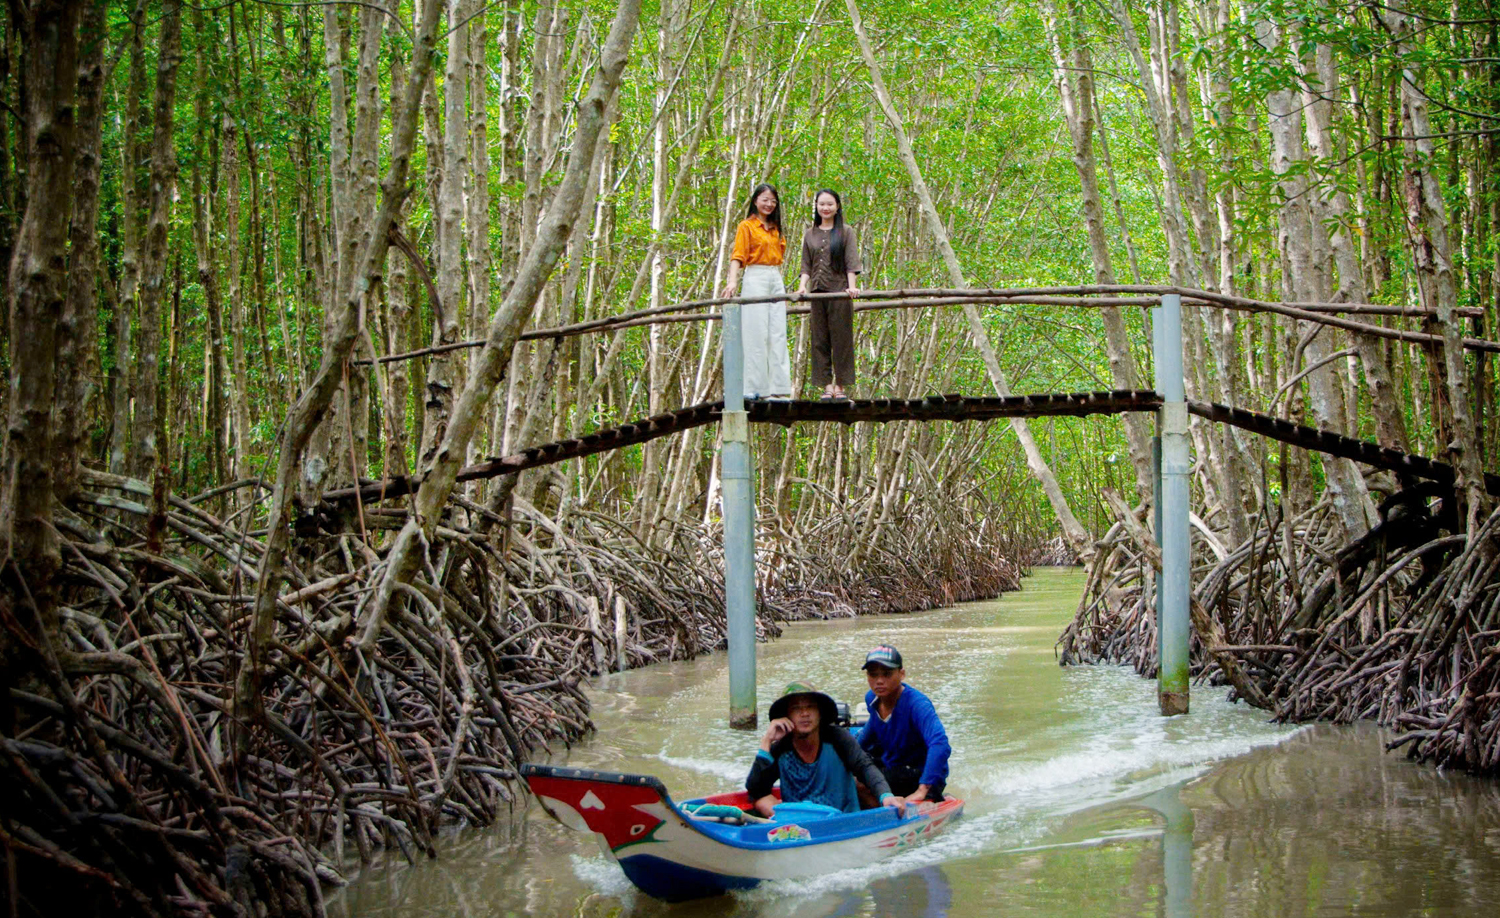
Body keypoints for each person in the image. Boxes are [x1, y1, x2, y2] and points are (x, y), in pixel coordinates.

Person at [746, 680, 904, 818]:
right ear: (786, 716)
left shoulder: (837, 738)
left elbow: (865, 767)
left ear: (820, 713)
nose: (805, 714)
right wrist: (766, 741)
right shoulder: (781, 748)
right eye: (796, 708)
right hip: (798, 828)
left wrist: (885, 795)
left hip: (842, 821)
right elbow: (755, 790)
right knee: (762, 801)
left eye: (810, 707)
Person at [720, 183, 793, 401]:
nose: (769, 204)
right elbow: (738, 256)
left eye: (773, 200)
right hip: (755, 276)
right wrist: (732, 281)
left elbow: (779, 254)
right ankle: (754, 387)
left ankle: (779, 388)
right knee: (755, 332)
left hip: (775, 276)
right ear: (755, 201)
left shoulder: (776, 228)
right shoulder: (747, 226)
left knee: (778, 332)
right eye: (765, 199)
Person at [857, 645, 950, 805]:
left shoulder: (917, 704)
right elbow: (870, 731)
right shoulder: (872, 698)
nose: (879, 681)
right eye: (873, 675)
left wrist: (922, 790)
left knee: (859, 782)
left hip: (920, 774)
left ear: (901, 674)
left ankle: (885, 812)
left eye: (887, 674)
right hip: (893, 766)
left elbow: (940, 744)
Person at [798, 189, 862, 399]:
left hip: (839, 290)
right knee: (819, 339)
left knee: (841, 338)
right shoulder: (810, 234)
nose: (825, 208)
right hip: (817, 291)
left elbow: (851, 261)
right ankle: (826, 384)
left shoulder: (846, 231)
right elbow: (806, 265)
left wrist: (851, 287)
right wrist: (802, 287)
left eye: (830, 204)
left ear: (837, 207)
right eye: (821, 204)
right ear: (816, 207)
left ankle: (841, 385)